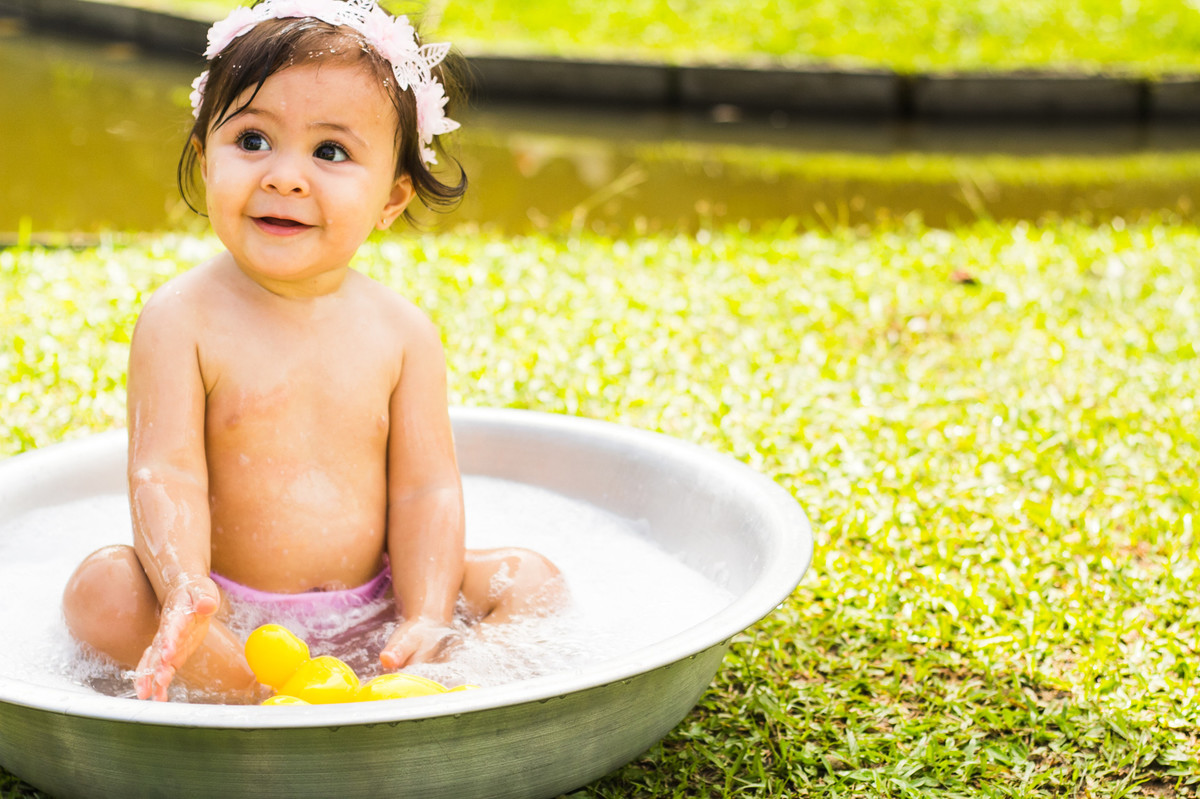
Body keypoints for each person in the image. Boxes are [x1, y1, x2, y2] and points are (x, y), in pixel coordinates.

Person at [61, 0, 562, 703]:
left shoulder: (402, 332)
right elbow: (162, 468)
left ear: (391, 199)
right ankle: (249, 691)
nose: (284, 176)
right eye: (253, 141)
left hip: (375, 604)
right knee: (102, 589)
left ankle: (418, 669)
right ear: (206, 159)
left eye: (330, 152)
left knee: (530, 578)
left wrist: (422, 610)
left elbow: (426, 489)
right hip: (228, 614)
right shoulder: (183, 318)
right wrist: (183, 588)